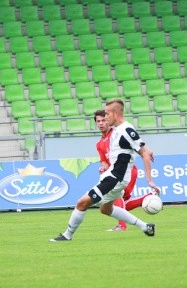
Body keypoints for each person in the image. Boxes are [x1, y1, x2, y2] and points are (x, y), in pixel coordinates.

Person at [50, 99, 160, 242]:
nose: (105, 118)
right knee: (105, 209)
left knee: (82, 203)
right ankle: (146, 227)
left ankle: (67, 235)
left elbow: (143, 152)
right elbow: (139, 145)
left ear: (115, 113)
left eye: (107, 114)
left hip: (115, 179)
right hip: (112, 176)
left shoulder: (126, 130)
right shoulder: (117, 130)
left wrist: (150, 180)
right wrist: (145, 148)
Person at [94, 109, 152, 231]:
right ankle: (147, 198)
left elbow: (134, 141)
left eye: (103, 120)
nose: (101, 123)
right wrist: (103, 167)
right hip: (114, 173)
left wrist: (145, 148)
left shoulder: (116, 134)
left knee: (115, 198)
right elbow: (104, 160)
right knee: (117, 205)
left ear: (108, 120)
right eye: (98, 121)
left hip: (127, 172)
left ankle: (122, 225)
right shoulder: (99, 144)